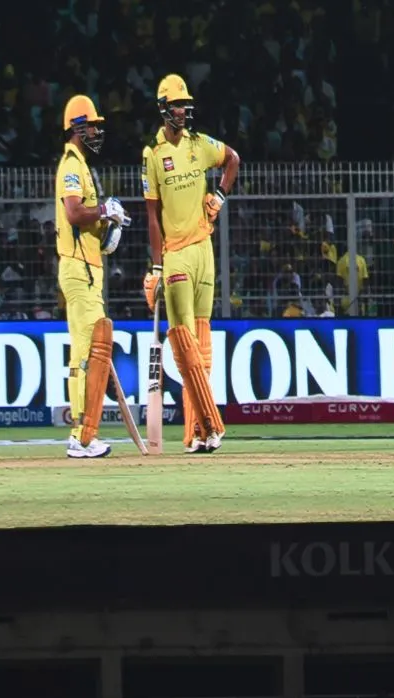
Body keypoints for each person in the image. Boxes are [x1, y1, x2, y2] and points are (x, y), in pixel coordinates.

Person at [142, 74, 238, 453]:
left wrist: (219, 196)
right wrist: (155, 267)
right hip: (177, 253)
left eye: (186, 104)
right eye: (177, 105)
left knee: (202, 344)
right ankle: (211, 426)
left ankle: (196, 432)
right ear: (164, 108)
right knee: (183, 344)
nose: (184, 110)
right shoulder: (152, 153)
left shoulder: (200, 145)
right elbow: (152, 216)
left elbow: (233, 159)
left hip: (204, 249)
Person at [53, 94, 132, 459]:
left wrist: (108, 226)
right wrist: (105, 209)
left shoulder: (82, 165)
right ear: (77, 127)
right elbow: (72, 213)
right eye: (93, 126)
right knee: (88, 353)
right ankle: (83, 436)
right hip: (79, 269)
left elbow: (88, 223)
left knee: (86, 352)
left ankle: (81, 433)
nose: (98, 131)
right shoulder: (72, 164)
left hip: (86, 267)